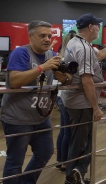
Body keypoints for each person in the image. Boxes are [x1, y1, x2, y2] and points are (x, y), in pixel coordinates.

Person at [1, 20, 70, 184]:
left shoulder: (52, 56)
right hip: (18, 118)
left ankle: (26, 182)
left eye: (49, 35)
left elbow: (67, 79)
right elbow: (14, 81)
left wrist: (63, 77)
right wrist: (42, 68)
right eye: (42, 36)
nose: (47, 39)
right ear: (30, 36)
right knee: (15, 160)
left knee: (45, 153)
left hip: (41, 118)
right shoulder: (21, 53)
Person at [62, 13, 106, 184]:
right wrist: (96, 107)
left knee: (79, 140)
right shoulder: (84, 48)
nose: (98, 28)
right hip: (82, 103)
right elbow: (87, 80)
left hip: (73, 102)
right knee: (82, 142)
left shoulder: (76, 42)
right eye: (97, 25)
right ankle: (74, 175)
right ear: (90, 27)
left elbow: (99, 55)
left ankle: (76, 174)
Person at [55, 32, 77, 172]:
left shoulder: (59, 56)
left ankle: (60, 160)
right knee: (67, 131)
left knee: (64, 130)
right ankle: (64, 162)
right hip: (66, 96)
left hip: (59, 96)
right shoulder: (66, 60)